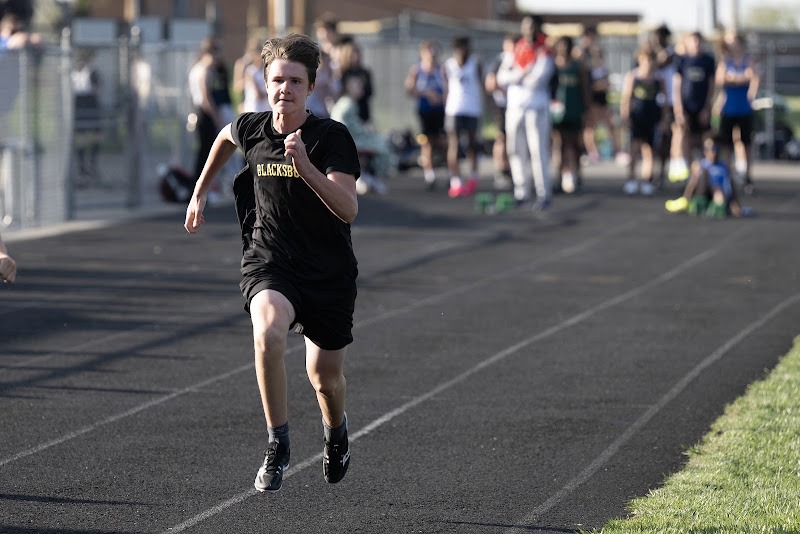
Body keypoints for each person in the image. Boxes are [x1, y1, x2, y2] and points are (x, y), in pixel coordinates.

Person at [184, 33, 359, 493]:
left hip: (327, 272)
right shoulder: (253, 128)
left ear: (311, 87)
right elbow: (225, 135)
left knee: (324, 378)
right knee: (267, 331)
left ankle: (336, 432)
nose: (285, 89)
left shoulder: (331, 137)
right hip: (271, 263)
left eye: (295, 81)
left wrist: (306, 168)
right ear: (265, 82)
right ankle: (277, 441)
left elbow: (349, 208)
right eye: (277, 79)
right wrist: (201, 189)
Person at [497, 14, 555, 211]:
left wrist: (519, 76)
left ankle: (543, 194)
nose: (528, 29)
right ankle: (521, 193)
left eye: (532, 26)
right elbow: (502, 77)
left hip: (536, 108)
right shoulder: (515, 49)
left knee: (538, 152)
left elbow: (538, 79)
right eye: (525, 25)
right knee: (515, 151)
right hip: (514, 108)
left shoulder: (543, 51)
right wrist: (522, 73)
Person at [619, 42, 668, 196]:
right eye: (645, 59)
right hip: (636, 117)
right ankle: (631, 180)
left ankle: (647, 181)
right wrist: (626, 117)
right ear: (640, 59)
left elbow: (665, 101)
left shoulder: (659, 79)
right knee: (634, 150)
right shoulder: (633, 76)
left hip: (652, 118)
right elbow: (626, 98)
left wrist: (664, 120)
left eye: (651, 59)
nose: (648, 62)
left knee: (649, 151)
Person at [713, 32, 759, 195]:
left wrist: (734, 78)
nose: (732, 44)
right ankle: (727, 176)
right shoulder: (725, 61)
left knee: (746, 143)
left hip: (744, 108)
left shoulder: (748, 60)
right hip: (728, 108)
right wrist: (740, 78)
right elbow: (721, 80)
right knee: (726, 145)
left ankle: (747, 177)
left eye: (734, 41)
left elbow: (753, 78)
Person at [331, 75, 392, 195]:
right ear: (348, 87)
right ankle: (369, 177)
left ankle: (367, 176)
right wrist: (364, 131)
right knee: (382, 146)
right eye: (357, 85)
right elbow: (343, 124)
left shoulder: (348, 103)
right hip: (349, 139)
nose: (361, 88)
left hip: (349, 138)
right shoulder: (347, 104)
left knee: (379, 142)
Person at [188, 38, 234, 191]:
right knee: (207, 154)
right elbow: (206, 97)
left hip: (201, 112)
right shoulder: (205, 70)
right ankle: (201, 188)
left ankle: (201, 187)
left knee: (204, 152)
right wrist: (216, 117)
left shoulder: (198, 68)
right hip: (205, 114)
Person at [574, 26, 625, 165]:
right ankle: (591, 151)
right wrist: (596, 87)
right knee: (590, 126)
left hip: (603, 98)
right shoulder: (581, 54)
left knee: (610, 124)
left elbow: (606, 82)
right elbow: (587, 83)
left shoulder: (601, 65)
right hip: (591, 98)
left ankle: (617, 151)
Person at [442, 35, 483, 198]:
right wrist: (446, 107)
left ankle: (473, 176)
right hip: (454, 110)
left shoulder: (475, 64)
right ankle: (455, 180)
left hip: (472, 109)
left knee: (472, 144)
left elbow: (480, 85)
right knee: (454, 144)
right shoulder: (448, 65)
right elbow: (446, 88)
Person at [672, 32, 715, 181]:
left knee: (705, 140)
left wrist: (707, 108)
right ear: (687, 42)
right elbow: (677, 85)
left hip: (701, 107)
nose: (696, 43)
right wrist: (679, 110)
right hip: (686, 107)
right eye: (693, 40)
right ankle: (690, 175)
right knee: (686, 139)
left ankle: (706, 174)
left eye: (698, 40)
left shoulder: (708, 60)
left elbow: (711, 86)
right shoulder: (682, 61)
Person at [405, 39, 446, 190]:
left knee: (443, 141)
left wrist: (441, 98)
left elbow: (450, 88)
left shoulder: (442, 69)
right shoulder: (417, 70)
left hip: (441, 111)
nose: (432, 54)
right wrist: (427, 94)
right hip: (425, 112)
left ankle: (449, 173)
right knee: (427, 142)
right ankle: (430, 175)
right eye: (429, 50)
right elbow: (409, 89)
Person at [665, 137, 741, 217]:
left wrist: (735, 203)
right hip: (703, 192)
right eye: (709, 149)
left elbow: (730, 185)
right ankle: (686, 201)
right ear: (705, 151)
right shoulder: (701, 164)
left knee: (717, 188)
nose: (713, 152)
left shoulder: (723, 166)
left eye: (715, 149)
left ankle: (717, 206)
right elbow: (693, 182)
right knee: (702, 172)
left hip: (719, 195)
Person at [551, 35, 589, 194]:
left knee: (574, 144)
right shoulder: (553, 66)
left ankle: (576, 175)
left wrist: (586, 109)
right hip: (557, 112)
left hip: (574, 109)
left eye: (567, 46)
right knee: (559, 144)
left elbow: (585, 88)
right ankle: (560, 177)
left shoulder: (577, 66)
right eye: (561, 46)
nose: (564, 49)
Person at [484, 33, 517, 190]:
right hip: (502, 107)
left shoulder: (520, 59)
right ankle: (502, 170)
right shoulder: (500, 60)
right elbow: (489, 83)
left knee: (515, 140)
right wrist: (503, 90)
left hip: (517, 107)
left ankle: (513, 171)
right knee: (502, 139)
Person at [71, 48, 104, 185]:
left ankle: (87, 165)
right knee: (88, 136)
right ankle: (88, 165)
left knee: (88, 135)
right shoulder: (89, 72)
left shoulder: (76, 72)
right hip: (87, 103)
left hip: (80, 103)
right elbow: (98, 88)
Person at [337, 39, 373, 124]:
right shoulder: (344, 72)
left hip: (362, 110)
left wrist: (359, 93)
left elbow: (370, 91)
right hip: (348, 108)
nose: (357, 57)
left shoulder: (364, 73)